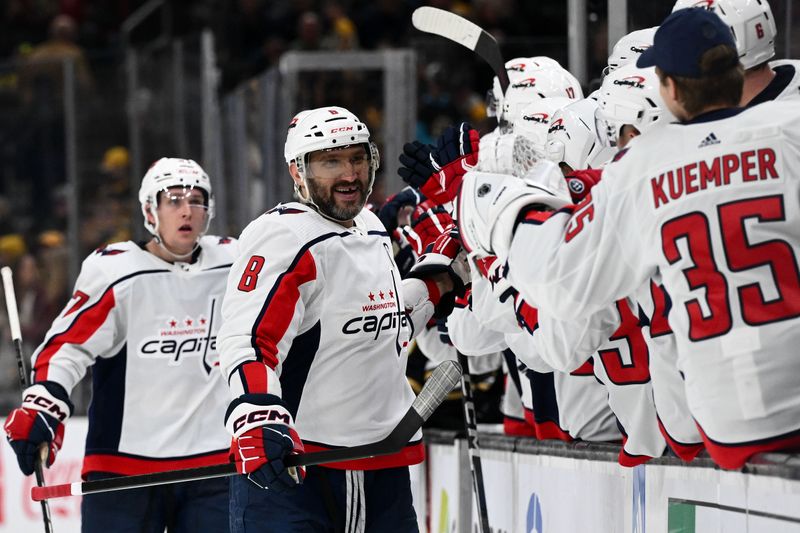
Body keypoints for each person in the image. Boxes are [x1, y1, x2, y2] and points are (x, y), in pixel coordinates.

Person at [455, 8, 800, 470]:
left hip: (718, 421)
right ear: (739, 70)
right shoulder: (791, 128)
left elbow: (565, 284)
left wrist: (509, 213)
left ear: (669, 87)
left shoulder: (642, 165)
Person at [219, 106, 453, 532]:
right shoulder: (285, 237)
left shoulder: (371, 227)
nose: (350, 174)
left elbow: (379, 323)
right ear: (297, 171)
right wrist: (257, 411)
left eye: (358, 158)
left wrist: (440, 280)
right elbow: (250, 339)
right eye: (331, 161)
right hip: (296, 472)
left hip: (383, 469)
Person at [4, 158, 237, 532]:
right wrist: (44, 403)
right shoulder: (118, 271)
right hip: (123, 469)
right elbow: (68, 346)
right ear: (150, 209)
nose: (187, 210)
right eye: (173, 199)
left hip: (212, 467)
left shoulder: (233, 262)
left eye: (197, 199)